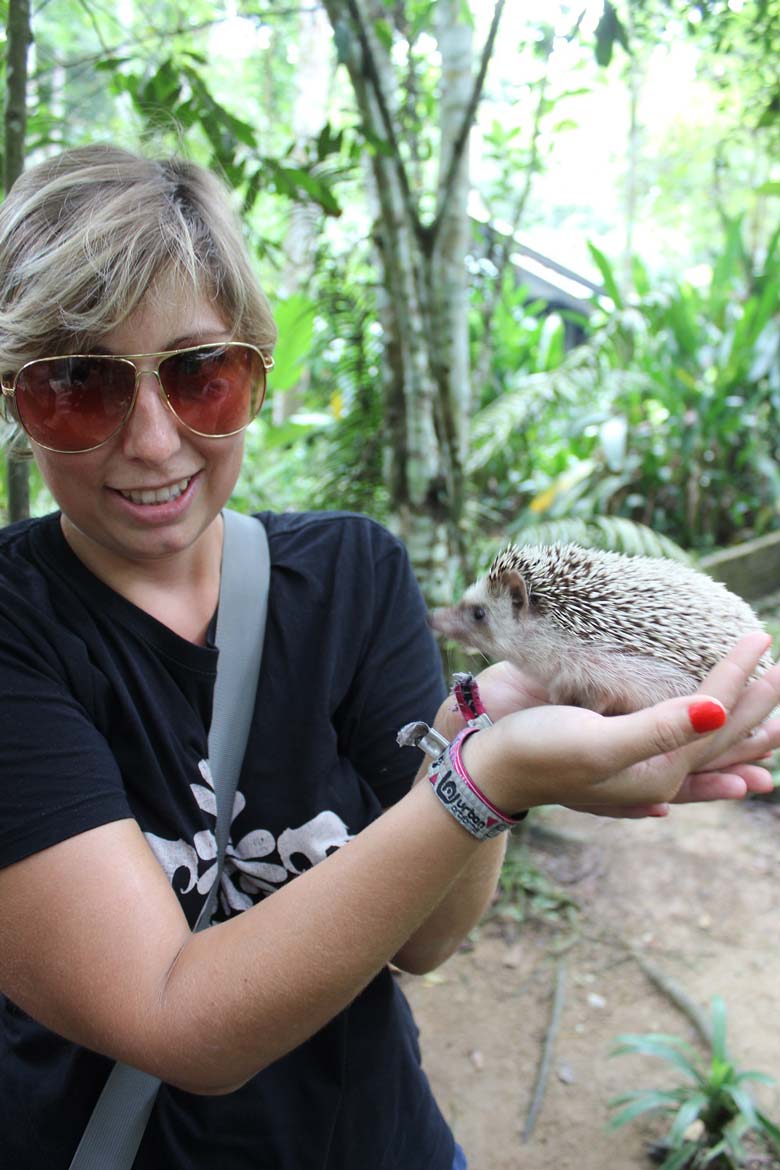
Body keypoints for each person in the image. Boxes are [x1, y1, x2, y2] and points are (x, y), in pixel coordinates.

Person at [0, 144, 777, 1170]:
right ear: (17, 399)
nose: (152, 440)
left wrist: (475, 737)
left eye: (201, 374)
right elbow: (174, 1022)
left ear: (253, 373)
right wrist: (480, 782)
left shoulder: (354, 573)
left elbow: (426, 938)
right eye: (77, 384)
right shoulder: (18, 630)